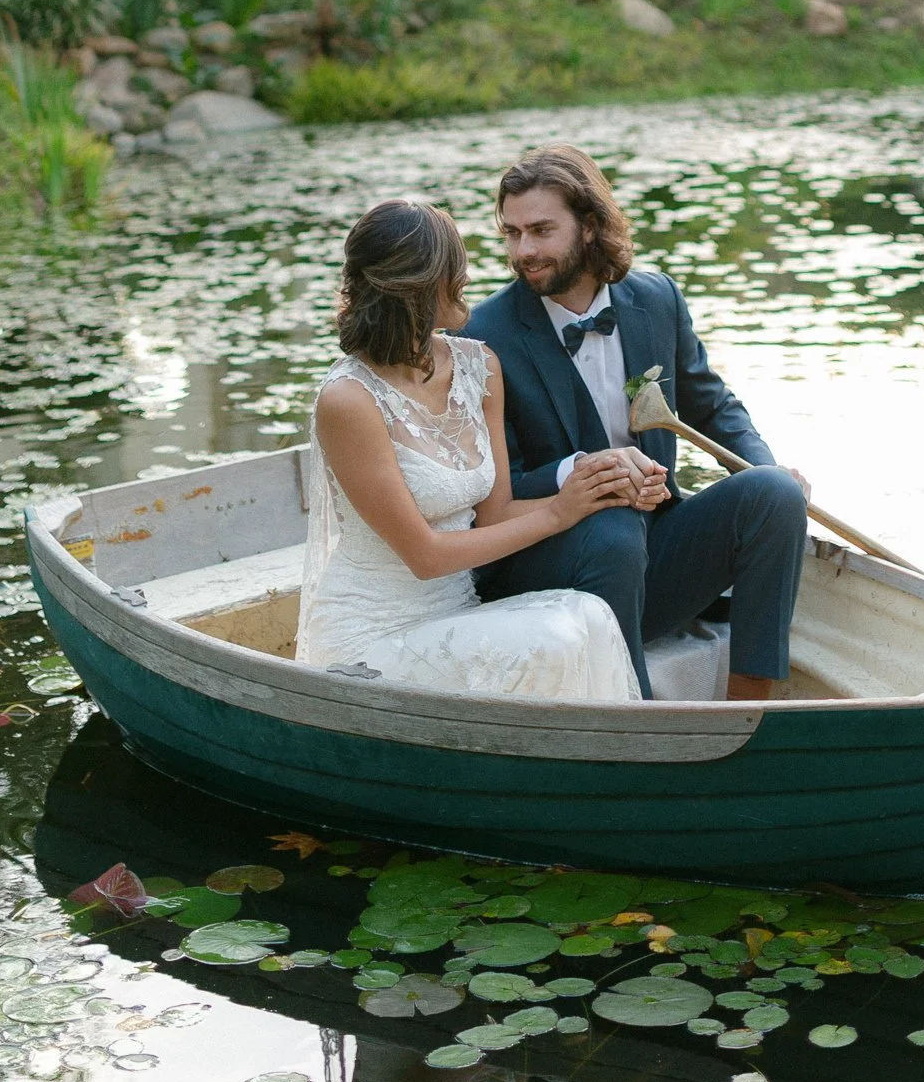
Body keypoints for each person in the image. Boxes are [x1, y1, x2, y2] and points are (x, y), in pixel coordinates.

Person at [465, 144, 810, 701]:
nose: (523, 250)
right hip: (550, 568)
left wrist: (766, 466)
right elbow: (488, 493)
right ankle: (638, 714)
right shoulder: (483, 335)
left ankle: (749, 708)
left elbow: (713, 406)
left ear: (589, 225)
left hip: (654, 558)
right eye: (511, 233)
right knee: (614, 522)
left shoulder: (656, 298)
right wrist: (583, 475)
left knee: (772, 493)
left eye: (541, 231)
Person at [296, 196, 641, 702]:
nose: (469, 275)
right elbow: (426, 556)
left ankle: (601, 766)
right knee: (553, 640)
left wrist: (597, 490)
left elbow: (496, 512)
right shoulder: (349, 400)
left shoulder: (478, 366)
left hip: (459, 611)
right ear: (416, 284)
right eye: (455, 266)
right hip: (372, 633)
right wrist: (558, 514)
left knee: (588, 614)